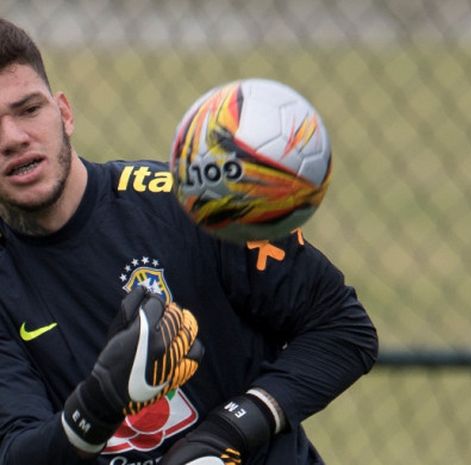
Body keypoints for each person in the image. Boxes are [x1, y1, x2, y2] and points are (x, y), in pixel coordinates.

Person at [0, 17, 378, 465]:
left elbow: (342, 329)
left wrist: (230, 432)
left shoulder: (194, 205)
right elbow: (15, 451)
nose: (13, 138)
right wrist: (99, 401)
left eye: (28, 110)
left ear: (64, 112)